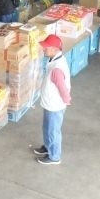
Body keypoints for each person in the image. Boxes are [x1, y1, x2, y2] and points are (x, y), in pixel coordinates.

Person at [32, 34, 71, 165]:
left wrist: (66, 99)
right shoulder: (53, 59)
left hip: (55, 105)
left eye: (46, 47)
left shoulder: (57, 69)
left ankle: (54, 156)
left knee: (53, 130)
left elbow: (62, 87)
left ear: (55, 49)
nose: (44, 49)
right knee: (47, 128)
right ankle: (48, 147)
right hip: (49, 103)